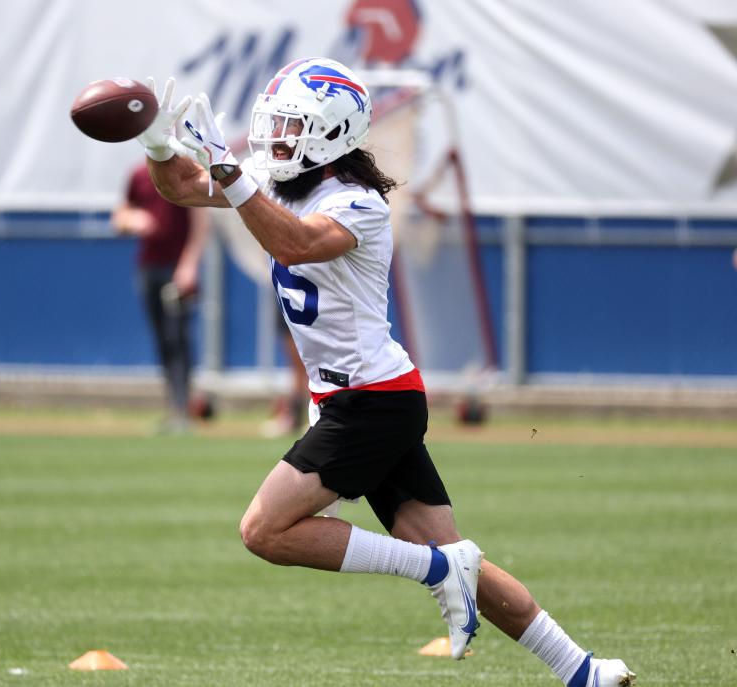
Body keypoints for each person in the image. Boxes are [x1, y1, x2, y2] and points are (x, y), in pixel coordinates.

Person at [133, 64, 636, 686]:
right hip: (365, 400)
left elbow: (293, 242)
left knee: (264, 530)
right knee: (459, 556)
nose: (276, 140)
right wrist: (158, 142)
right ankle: (582, 669)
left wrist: (231, 172)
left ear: (331, 134)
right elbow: (182, 186)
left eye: (291, 127)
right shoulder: (274, 178)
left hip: (371, 403)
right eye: (275, 126)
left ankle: (433, 573)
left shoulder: (358, 203)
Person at [112, 164, 209, 433]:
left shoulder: (183, 169)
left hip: (176, 268)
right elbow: (120, 216)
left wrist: (189, 265)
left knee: (177, 337)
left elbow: (200, 222)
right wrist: (133, 220)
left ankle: (183, 410)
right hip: (149, 267)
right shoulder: (139, 175)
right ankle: (174, 407)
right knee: (162, 340)